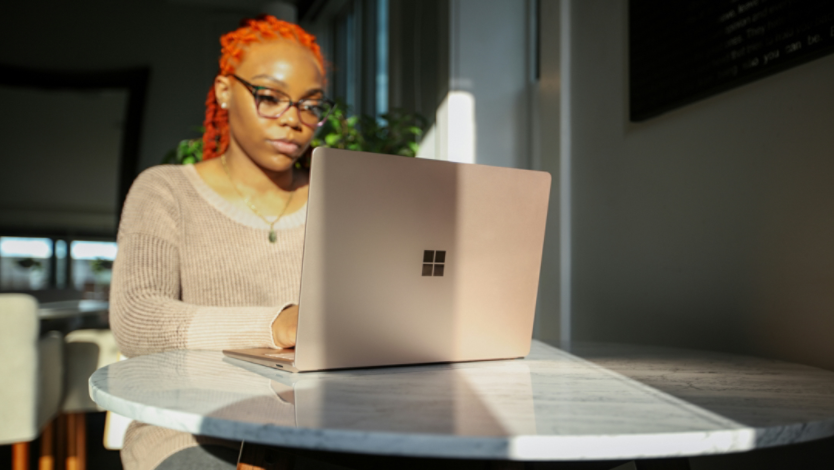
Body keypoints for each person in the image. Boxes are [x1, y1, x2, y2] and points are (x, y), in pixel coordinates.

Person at [110, 15, 331, 469]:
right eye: (270, 98)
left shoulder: (339, 199)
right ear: (225, 90)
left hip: (321, 429)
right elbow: (137, 318)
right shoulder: (165, 191)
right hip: (189, 427)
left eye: (310, 105)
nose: (293, 120)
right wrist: (275, 325)